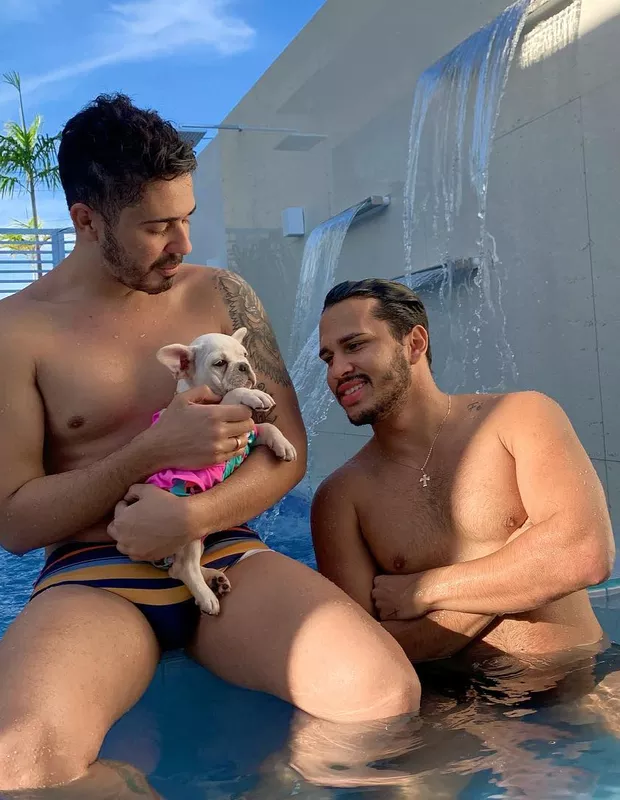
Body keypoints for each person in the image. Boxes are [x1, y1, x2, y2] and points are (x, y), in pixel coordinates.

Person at [0, 98, 420, 795]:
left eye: (186, 218)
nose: (183, 244)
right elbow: (14, 522)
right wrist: (148, 452)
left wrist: (192, 517)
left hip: (226, 552)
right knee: (17, 764)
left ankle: (274, 780)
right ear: (86, 220)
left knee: (381, 694)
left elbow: (287, 449)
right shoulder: (14, 333)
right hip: (95, 574)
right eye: (157, 227)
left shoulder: (222, 295)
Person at [312, 278, 615, 670]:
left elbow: (585, 555)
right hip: (451, 699)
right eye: (328, 358)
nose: (337, 370)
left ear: (414, 344)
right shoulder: (341, 497)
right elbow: (367, 652)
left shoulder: (520, 418)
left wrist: (422, 590)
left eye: (354, 345)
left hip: (580, 675)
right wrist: (519, 561)